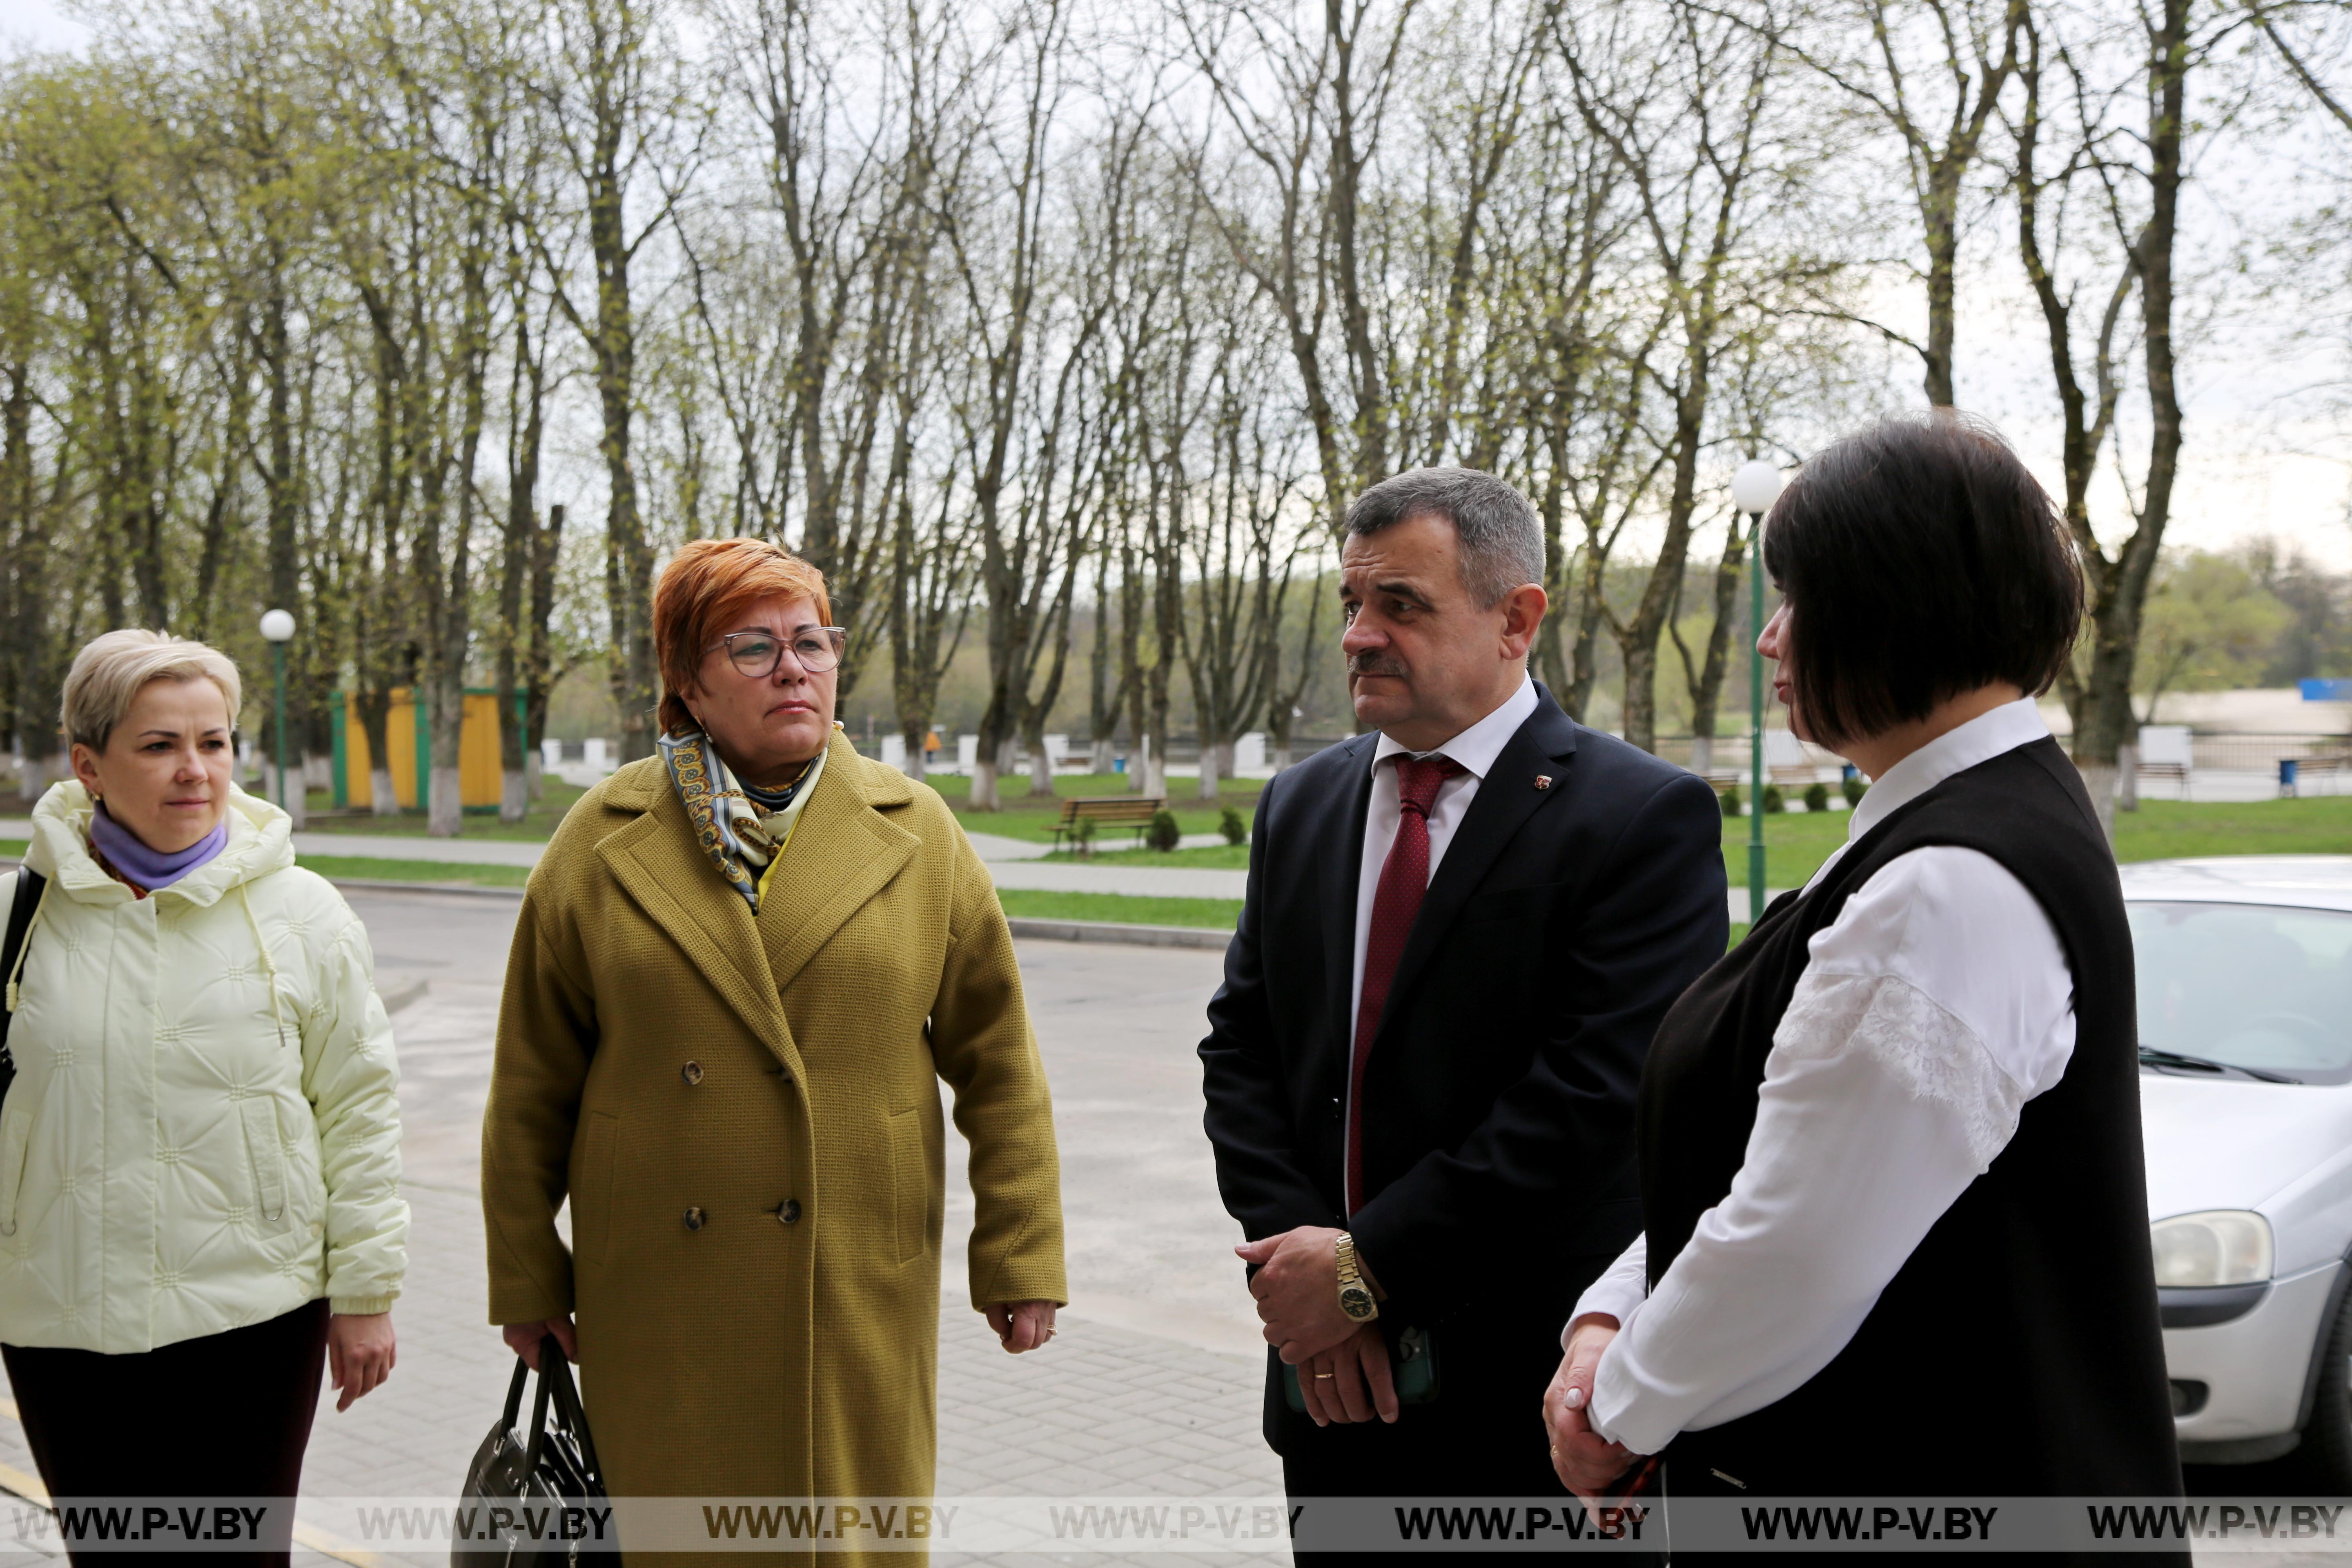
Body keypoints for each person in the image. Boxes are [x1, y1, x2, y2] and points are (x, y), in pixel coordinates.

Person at [1545, 414, 2187, 1535]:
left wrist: (1623, 1411)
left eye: (1795, 602)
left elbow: (1797, 1246)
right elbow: (1773, 1158)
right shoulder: (1949, 830)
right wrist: (1613, 1314)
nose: (1768, 640)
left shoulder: (1946, 884)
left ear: (1891, 605)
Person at [482, 538, 1065, 1558]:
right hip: (659, 1285)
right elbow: (531, 1083)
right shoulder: (599, 838)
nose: (794, 667)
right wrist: (527, 1276)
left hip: (851, 1275)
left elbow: (1000, 1062)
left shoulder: (916, 830)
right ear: (688, 683)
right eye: (751, 647)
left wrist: (1020, 1250)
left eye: (812, 641)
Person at [1199, 468, 1728, 1533]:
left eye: (1401, 604)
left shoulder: (1642, 820)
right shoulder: (1303, 805)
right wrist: (1310, 1274)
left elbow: (1590, 1102)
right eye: (1351, 605)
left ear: (1516, 620)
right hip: (1332, 1400)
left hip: (1527, 1417)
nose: (1358, 636)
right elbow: (1242, 1050)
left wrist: (1366, 1270)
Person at [0, 630, 406, 1564]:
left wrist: (367, 1291)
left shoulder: (306, 913)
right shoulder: (18, 919)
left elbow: (360, 1109)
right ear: (88, 764)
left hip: (255, 1316)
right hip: (62, 1316)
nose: (196, 771)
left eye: (214, 743)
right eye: (160, 745)